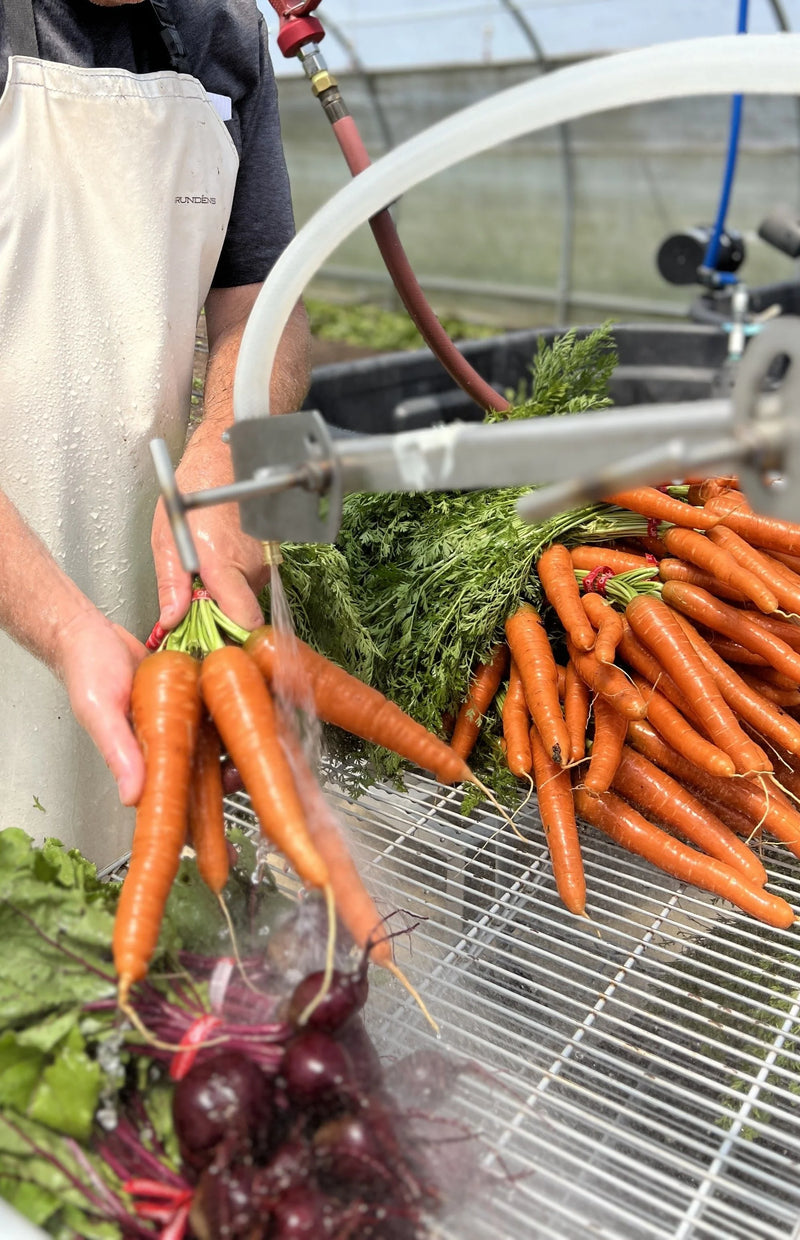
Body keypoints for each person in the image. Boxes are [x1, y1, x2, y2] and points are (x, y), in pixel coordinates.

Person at [0, 0, 312, 867]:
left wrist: (232, 446)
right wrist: (62, 628)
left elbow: (267, 300)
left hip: (152, 580)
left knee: (125, 858)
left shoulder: (231, 33)